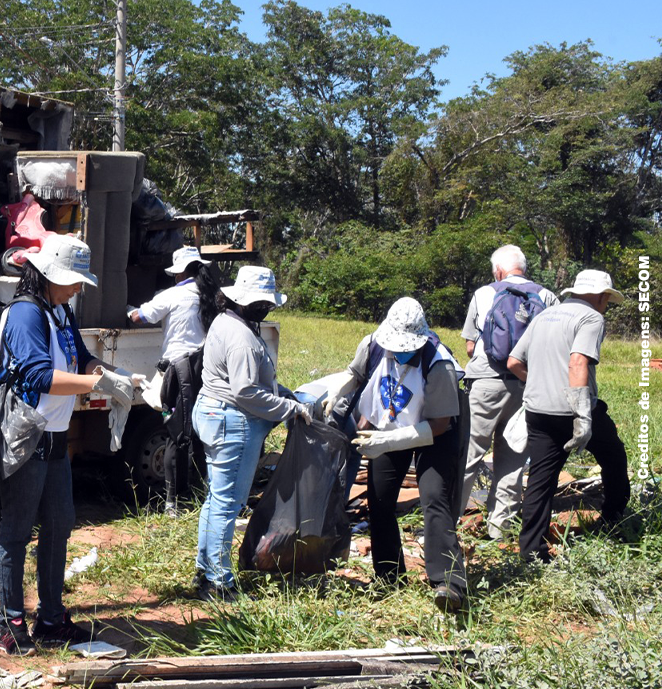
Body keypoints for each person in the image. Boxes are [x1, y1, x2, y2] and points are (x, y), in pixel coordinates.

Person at [0, 234, 135, 655]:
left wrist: (118, 375)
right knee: (16, 530)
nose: (77, 288)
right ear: (48, 274)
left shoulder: (59, 311)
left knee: (59, 525)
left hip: (53, 435)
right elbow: (39, 376)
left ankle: (51, 619)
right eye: (72, 280)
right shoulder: (25, 315)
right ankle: (10, 624)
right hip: (25, 435)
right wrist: (97, 383)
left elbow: (81, 357)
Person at [323, 298, 468, 612]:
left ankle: (449, 584)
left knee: (434, 499)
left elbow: (440, 425)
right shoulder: (374, 343)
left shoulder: (438, 364)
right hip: (390, 423)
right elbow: (356, 374)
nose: (399, 352)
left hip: (433, 432)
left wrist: (387, 443)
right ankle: (389, 577)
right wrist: (338, 391)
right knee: (380, 499)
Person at [192, 265, 309, 601]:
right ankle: (218, 581)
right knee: (227, 503)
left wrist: (282, 392)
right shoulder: (242, 337)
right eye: (262, 303)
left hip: (215, 413)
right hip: (233, 421)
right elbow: (245, 392)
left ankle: (206, 570)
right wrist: (290, 408)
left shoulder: (227, 322)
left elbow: (253, 382)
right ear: (244, 301)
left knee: (216, 499)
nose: (267, 308)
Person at [506, 269, 630, 563]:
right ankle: (614, 519)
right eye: (607, 301)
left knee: (540, 478)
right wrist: (582, 417)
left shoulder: (544, 316)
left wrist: (541, 384)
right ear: (601, 297)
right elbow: (578, 363)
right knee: (613, 456)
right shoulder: (591, 318)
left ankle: (532, 551)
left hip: (538, 410)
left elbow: (513, 362)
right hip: (572, 409)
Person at [460, 245, 559, 537]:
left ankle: (447, 523)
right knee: (513, 458)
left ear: (498, 271)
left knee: (469, 454)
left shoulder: (484, 293)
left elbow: (469, 346)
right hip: (526, 384)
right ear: (524, 268)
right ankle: (499, 528)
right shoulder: (546, 296)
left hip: (485, 383)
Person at [129, 246, 226, 514]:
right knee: (199, 433)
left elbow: (140, 317)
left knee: (175, 434)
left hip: (179, 373)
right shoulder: (212, 295)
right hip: (205, 368)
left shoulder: (173, 295)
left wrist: (129, 310)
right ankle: (199, 491)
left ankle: (173, 502)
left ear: (180, 272)